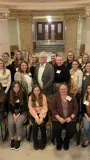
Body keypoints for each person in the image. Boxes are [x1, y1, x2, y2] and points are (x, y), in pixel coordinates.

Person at [52, 83, 78, 150]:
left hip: (69, 118)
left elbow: (76, 108)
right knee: (56, 130)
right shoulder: (55, 97)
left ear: (67, 89)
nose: (63, 91)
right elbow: (53, 109)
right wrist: (59, 118)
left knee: (72, 131)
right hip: (58, 118)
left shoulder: (72, 97)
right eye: (61, 89)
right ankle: (59, 141)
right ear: (59, 90)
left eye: (64, 89)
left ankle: (66, 141)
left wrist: (71, 117)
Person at [8, 81, 27, 150]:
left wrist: (18, 115)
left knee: (18, 123)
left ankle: (18, 139)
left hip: (22, 112)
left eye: (18, 87)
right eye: (15, 87)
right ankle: (12, 139)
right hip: (12, 112)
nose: (16, 88)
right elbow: (9, 106)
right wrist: (13, 114)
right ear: (12, 87)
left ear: (20, 87)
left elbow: (24, 106)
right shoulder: (10, 94)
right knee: (10, 123)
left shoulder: (23, 94)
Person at [28, 84, 48, 150]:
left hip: (43, 114)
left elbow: (45, 107)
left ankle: (43, 141)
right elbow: (31, 108)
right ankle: (35, 142)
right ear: (33, 91)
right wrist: (36, 117)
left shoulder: (43, 96)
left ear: (40, 90)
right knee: (35, 125)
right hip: (34, 115)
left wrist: (41, 117)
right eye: (35, 90)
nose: (37, 92)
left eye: (38, 90)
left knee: (42, 125)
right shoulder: (30, 97)